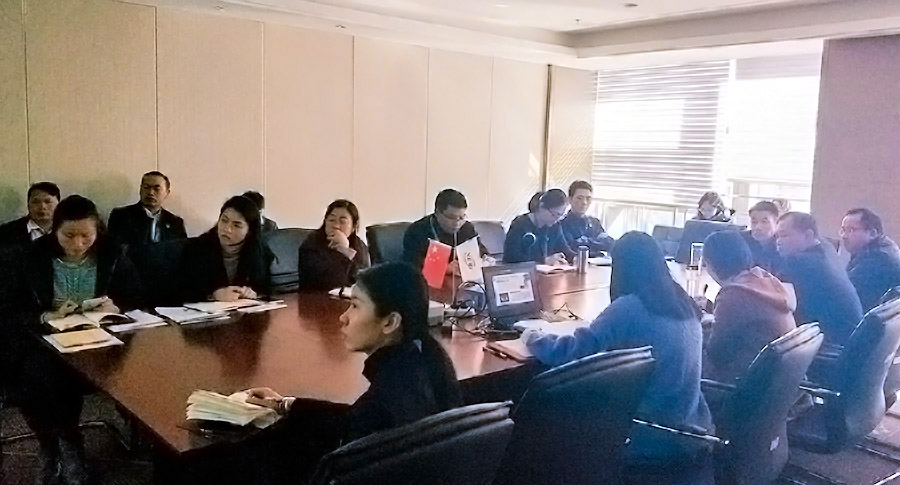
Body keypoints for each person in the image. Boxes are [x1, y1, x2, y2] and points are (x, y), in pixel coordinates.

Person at [244, 262, 463, 482]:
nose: (343, 317)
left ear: (390, 322)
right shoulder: (426, 363)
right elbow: (352, 417)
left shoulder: (388, 399)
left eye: (355, 306)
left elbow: (356, 423)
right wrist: (285, 404)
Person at [522, 231, 713, 477]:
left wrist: (532, 337)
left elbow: (572, 353)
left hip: (645, 433)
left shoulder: (630, 308)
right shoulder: (682, 302)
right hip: (688, 428)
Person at [0, 195, 143, 484]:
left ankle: (62, 445)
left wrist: (116, 306)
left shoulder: (113, 252)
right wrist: (45, 316)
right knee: (41, 377)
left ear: (97, 231)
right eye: (69, 235)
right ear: (55, 230)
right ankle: (62, 444)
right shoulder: (29, 256)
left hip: (100, 339)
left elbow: (136, 294)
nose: (78, 243)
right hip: (45, 340)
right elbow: (9, 307)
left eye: (86, 236)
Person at [703, 231, 796, 384]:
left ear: (710, 264)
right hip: (776, 383)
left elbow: (715, 353)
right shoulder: (764, 278)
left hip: (743, 383)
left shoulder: (733, 294)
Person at [776, 212, 863, 345]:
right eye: (777, 236)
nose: (778, 241)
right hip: (851, 339)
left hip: (832, 344)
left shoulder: (797, 261)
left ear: (808, 235)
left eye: (784, 235)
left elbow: (775, 299)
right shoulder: (827, 248)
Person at [178, 195, 273, 303]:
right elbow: (183, 290)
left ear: (250, 231)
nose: (227, 229)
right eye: (224, 220)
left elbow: (267, 287)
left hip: (244, 311)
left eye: (236, 225)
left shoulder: (261, 251)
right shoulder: (197, 248)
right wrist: (214, 295)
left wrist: (253, 293)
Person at [402, 188, 487, 272]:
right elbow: (411, 262)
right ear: (437, 212)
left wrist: (484, 259)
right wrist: (441, 267)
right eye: (451, 217)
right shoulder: (417, 230)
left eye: (461, 217)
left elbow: (481, 251)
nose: (457, 223)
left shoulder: (467, 228)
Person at [297, 199, 371, 291]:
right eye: (331, 220)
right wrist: (343, 250)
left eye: (342, 221)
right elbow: (329, 282)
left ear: (353, 227)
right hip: (316, 297)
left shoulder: (358, 244)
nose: (336, 225)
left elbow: (363, 280)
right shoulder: (311, 244)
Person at [841, 208, 900, 313]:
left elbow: (844, 294)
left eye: (851, 230)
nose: (844, 236)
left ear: (872, 233)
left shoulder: (876, 259)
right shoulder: (882, 247)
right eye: (843, 230)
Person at [107, 171, 187, 248]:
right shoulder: (121, 216)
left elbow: (182, 251)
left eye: (156, 189)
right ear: (140, 190)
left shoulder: (175, 222)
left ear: (167, 193)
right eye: (146, 187)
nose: (150, 192)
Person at [503, 189, 575, 265]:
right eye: (554, 214)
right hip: (519, 271)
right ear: (541, 207)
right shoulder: (520, 224)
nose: (556, 219)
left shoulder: (555, 226)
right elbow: (511, 257)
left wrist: (576, 258)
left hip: (545, 271)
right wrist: (544, 261)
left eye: (560, 215)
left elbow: (564, 250)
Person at [559, 180, 615, 256]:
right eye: (579, 198)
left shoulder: (595, 222)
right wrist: (596, 244)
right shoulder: (562, 224)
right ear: (570, 200)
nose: (584, 202)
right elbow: (572, 248)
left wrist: (584, 241)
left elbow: (609, 243)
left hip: (599, 261)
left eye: (588, 198)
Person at [0, 181, 61, 247]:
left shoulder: (66, 231)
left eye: (48, 202)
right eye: (35, 202)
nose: (42, 207)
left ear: (59, 204)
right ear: (28, 205)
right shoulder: (6, 232)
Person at [740, 200, 783, 274]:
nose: (758, 227)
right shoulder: (740, 241)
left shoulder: (784, 244)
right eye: (754, 222)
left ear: (776, 222)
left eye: (764, 222)